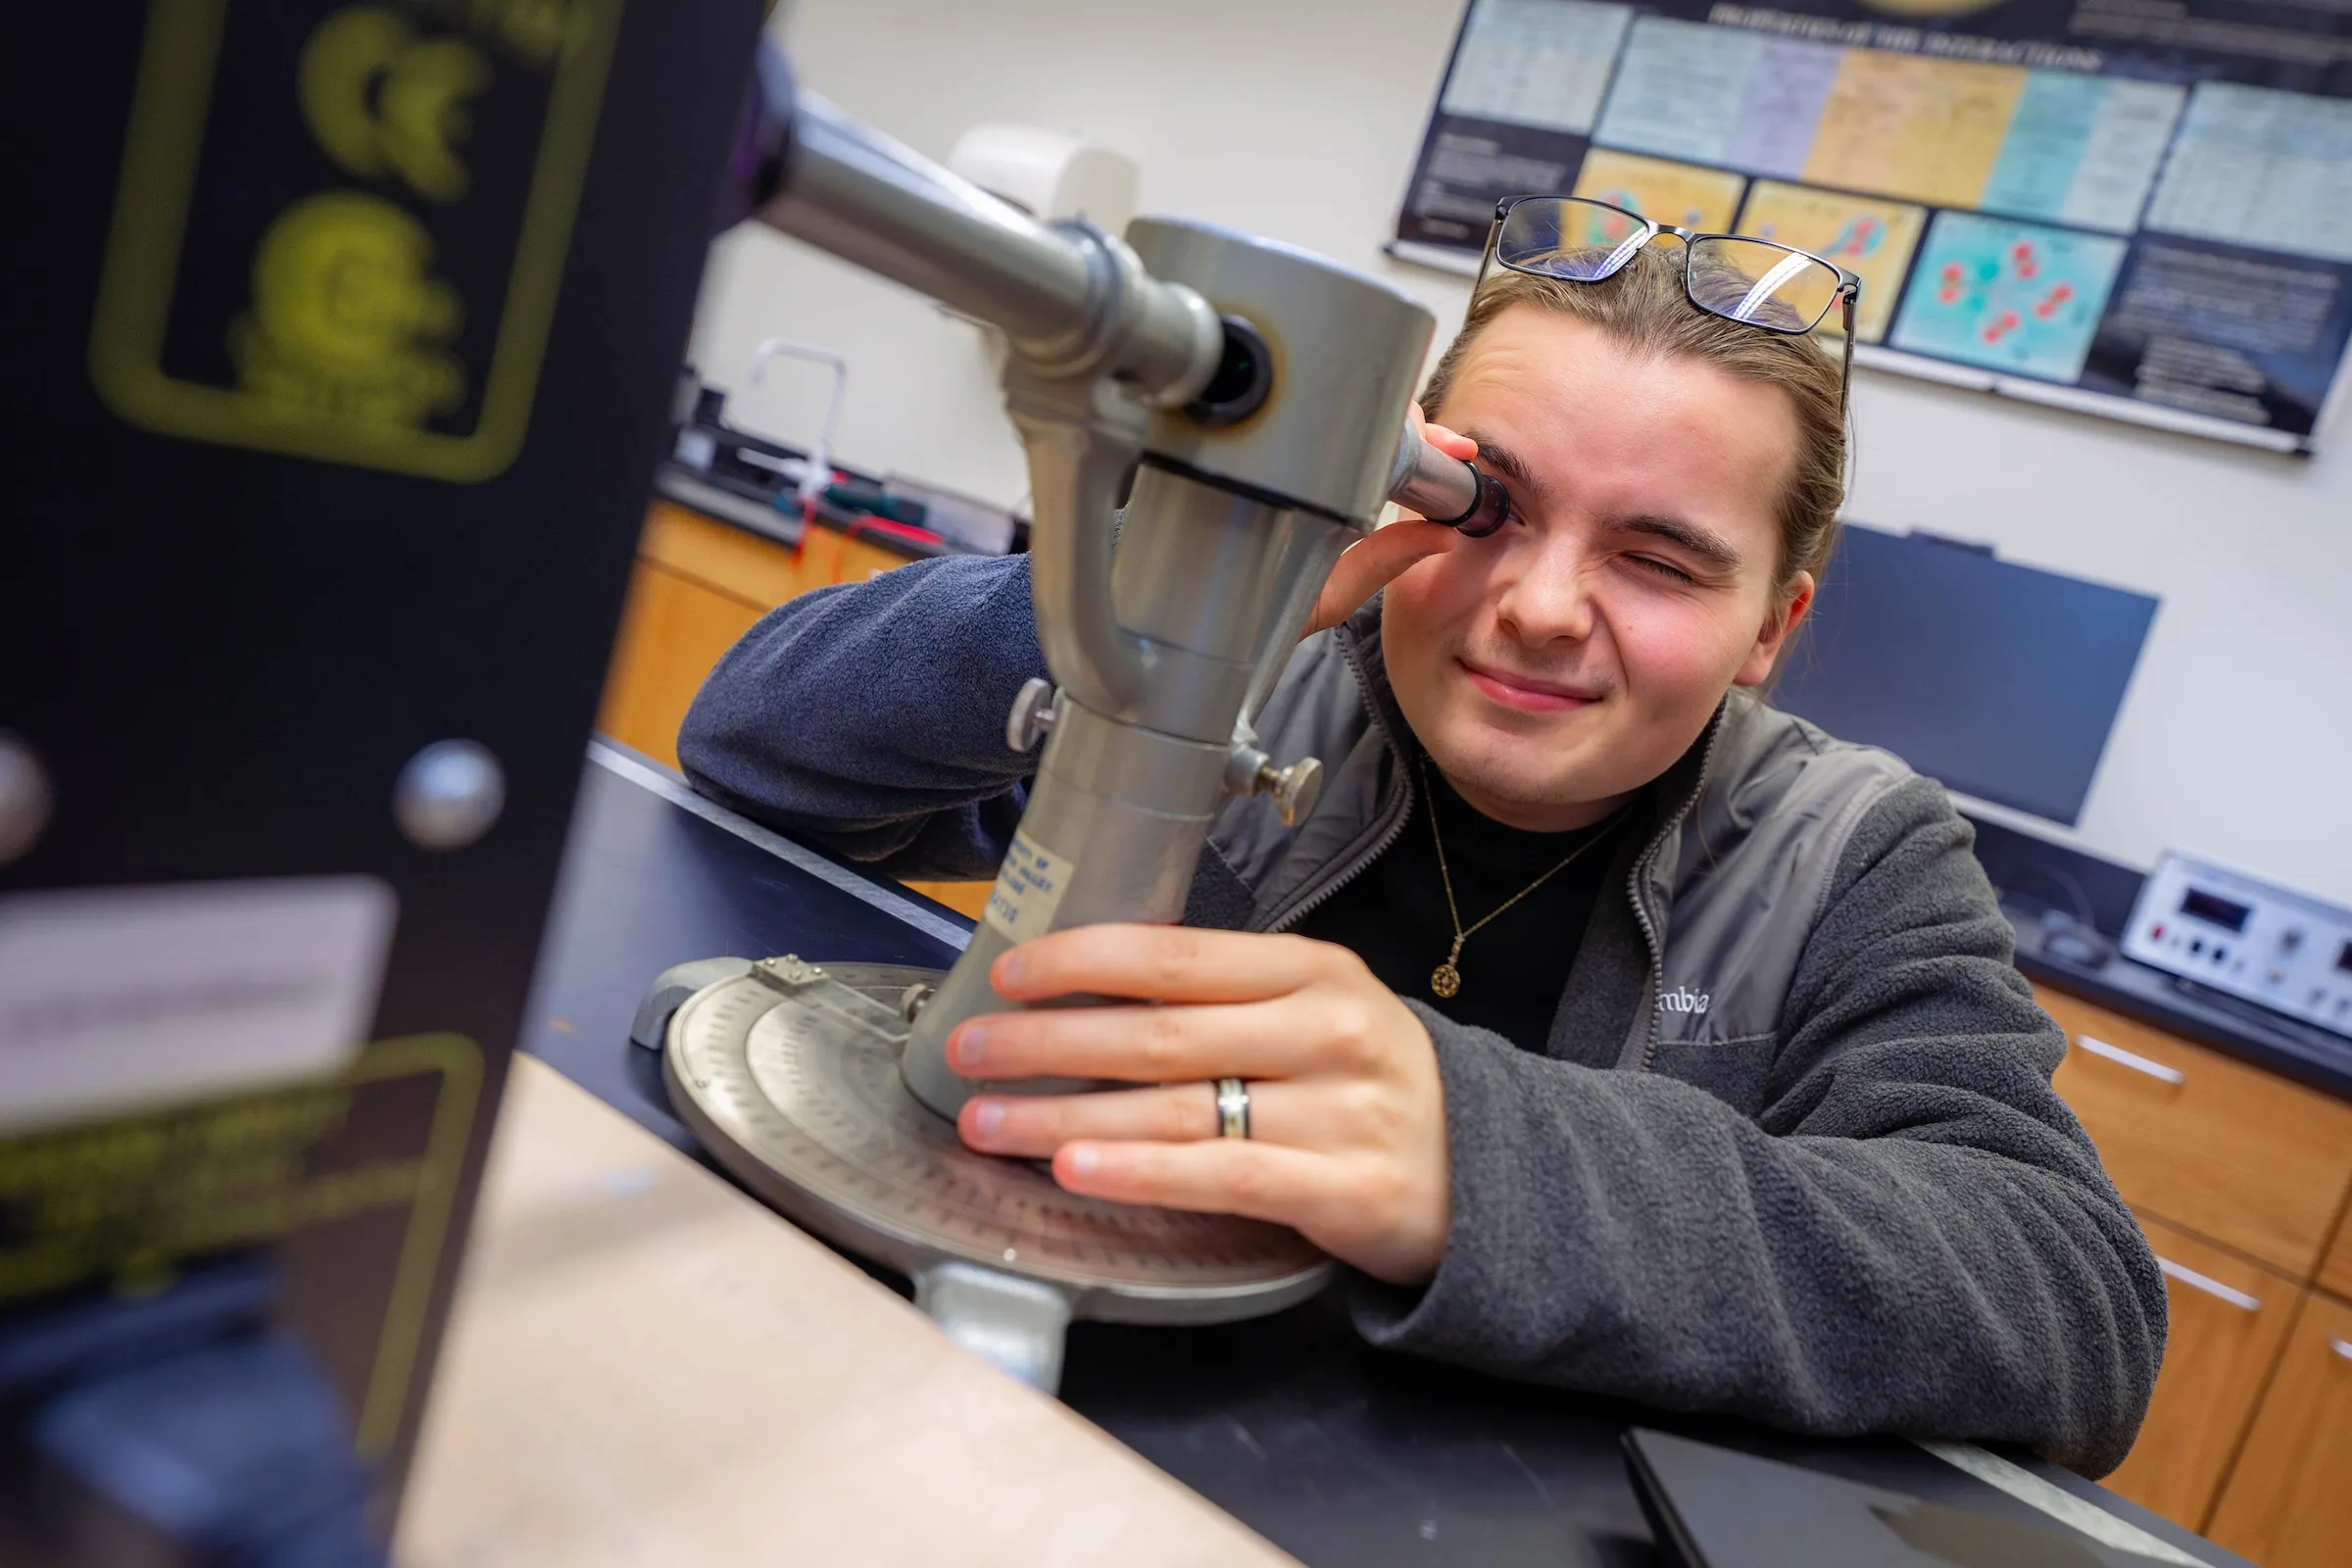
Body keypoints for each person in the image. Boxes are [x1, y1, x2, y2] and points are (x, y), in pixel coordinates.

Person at [677, 203, 2165, 1476]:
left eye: (1655, 559)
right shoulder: (1266, 673)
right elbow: (754, 746)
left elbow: (2069, 1295)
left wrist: (1481, 1152)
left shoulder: (1853, 853)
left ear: (1772, 625)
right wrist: (1139, 602)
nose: (1536, 605)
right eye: (1487, 507)